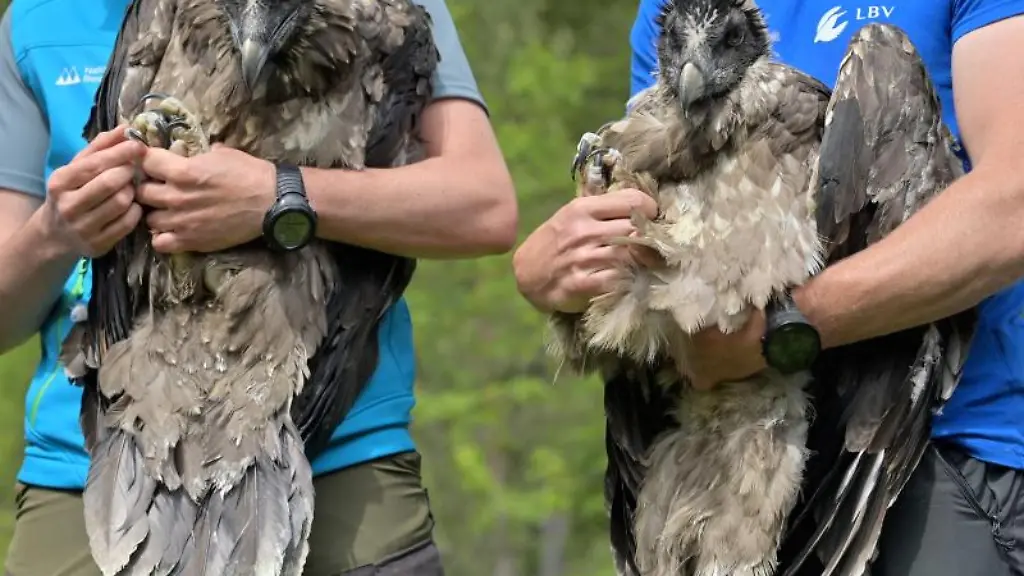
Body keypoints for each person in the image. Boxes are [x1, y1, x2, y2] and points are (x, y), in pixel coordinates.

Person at [0, 0, 517, 573]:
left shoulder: (390, 11)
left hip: (339, 459)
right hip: (99, 455)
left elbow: (483, 206)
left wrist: (281, 195)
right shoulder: (37, 20)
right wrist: (54, 233)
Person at [513, 0, 1024, 574]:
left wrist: (783, 329)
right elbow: (661, 237)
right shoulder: (674, 11)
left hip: (930, 441)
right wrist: (552, 275)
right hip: (715, 456)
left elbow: (1015, 205)